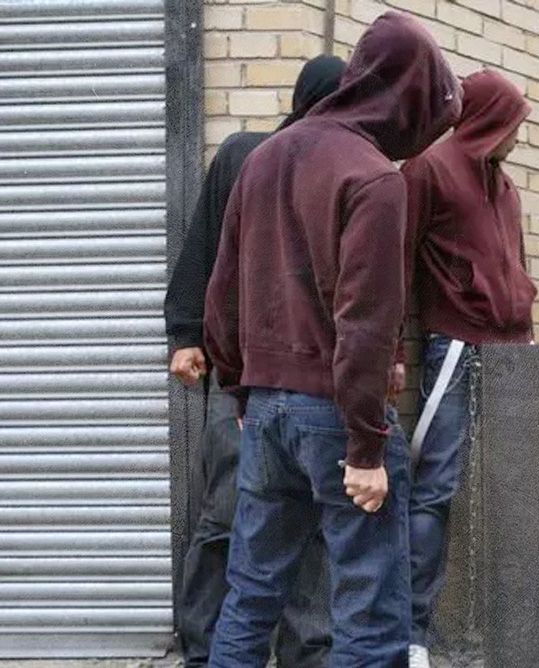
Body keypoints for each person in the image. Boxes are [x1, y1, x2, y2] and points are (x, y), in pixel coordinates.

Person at [202, 11, 462, 667]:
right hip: (337, 422)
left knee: (250, 596)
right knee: (371, 619)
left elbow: (224, 291)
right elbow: (365, 321)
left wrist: (240, 395)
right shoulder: (373, 176)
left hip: (264, 411)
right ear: (405, 94)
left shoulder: (262, 159)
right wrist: (366, 445)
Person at [401, 69, 539, 667]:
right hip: (454, 350)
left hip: (514, 353)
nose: (519, 135)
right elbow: (393, 266)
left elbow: (516, 266)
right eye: (513, 123)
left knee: (524, 492)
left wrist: (529, 337)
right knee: (433, 490)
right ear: (487, 119)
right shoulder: (427, 171)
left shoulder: (506, 188)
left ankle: (533, 626)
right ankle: (412, 637)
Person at [164, 55, 345, 668]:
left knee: (315, 517)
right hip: (242, 371)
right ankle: (204, 651)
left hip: (318, 375)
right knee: (226, 511)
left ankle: (307, 652)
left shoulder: (347, 167)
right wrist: (186, 331)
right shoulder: (247, 154)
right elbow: (204, 245)